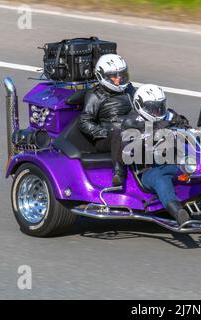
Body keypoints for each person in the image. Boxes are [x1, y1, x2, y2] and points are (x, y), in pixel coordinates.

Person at [120, 84, 192, 226]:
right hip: (148, 170)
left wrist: (187, 131)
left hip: (177, 162)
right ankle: (179, 213)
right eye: (153, 108)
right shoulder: (131, 123)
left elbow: (186, 128)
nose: (157, 112)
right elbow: (128, 152)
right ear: (140, 105)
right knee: (160, 179)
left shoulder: (169, 115)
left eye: (160, 106)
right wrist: (150, 139)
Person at [78, 54, 135, 186]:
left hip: (131, 129)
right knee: (120, 133)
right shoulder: (95, 95)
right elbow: (84, 121)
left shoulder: (129, 89)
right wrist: (105, 131)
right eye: (114, 76)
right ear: (103, 76)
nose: (119, 78)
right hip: (106, 137)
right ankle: (119, 174)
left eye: (121, 74)